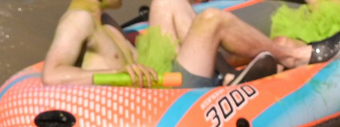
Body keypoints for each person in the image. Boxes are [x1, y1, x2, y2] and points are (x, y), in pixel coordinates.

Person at [41, 0, 315, 89]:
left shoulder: (106, 21)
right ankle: (291, 56)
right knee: (211, 21)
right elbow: (52, 74)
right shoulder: (78, 20)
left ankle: (230, 73)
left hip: (162, 85)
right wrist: (118, 76)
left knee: (167, 0)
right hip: (165, 103)